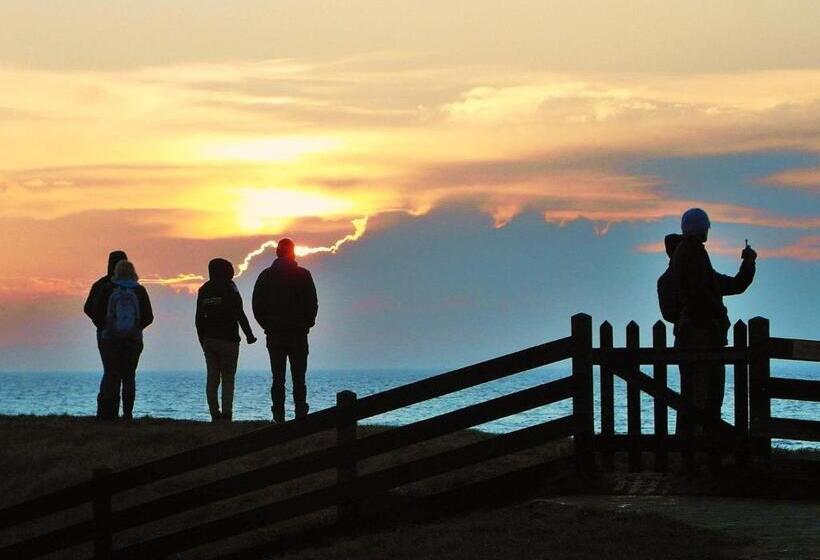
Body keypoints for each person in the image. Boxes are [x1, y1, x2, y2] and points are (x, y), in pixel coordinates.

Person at [667, 208, 756, 436]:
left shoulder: (688, 253)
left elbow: (725, 285)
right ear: (701, 227)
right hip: (701, 337)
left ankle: (694, 449)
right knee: (704, 397)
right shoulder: (693, 253)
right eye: (706, 225)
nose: (708, 229)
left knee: (696, 397)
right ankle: (698, 451)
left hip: (694, 335)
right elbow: (706, 292)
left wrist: (747, 266)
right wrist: (717, 317)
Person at [252, 239, 318, 423]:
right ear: (293, 253)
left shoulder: (265, 276)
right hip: (298, 333)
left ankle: (279, 414)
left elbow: (256, 304)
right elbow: (312, 302)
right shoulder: (304, 275)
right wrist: (308, 323)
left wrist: (267, 325)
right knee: (299, 377)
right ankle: (300, 412)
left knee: (277, 377)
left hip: (276, 334)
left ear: (277, 253)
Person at [196, 258, 257, 422]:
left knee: (212, 377)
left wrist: (202, 339)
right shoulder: (231, 288)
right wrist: (249, 335)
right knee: (228, 378)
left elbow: (198, 318)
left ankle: (214, 413)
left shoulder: (204, 289)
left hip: (209, 340)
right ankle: (227, 413)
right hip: (229, 339)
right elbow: (240, 314)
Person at [91, 260, 153, 420]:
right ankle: (127, 414)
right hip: (133, 340)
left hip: (110, 340)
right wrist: (135, 329)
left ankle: (110, 414)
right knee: (129, 376)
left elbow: (96, 314)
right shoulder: (139, 290)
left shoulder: (107, 289)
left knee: (112, 375)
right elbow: (148, 317)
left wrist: (108, 329)